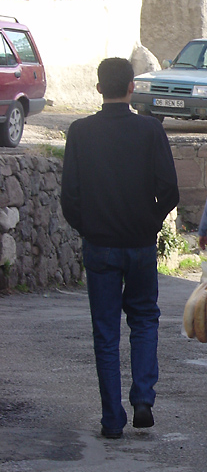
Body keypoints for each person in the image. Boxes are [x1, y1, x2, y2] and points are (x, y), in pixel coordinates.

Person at [61, 57, 179, 439]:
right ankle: (143, 398)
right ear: (132, 88)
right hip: (141, 245)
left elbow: (70, 198)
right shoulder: (150, 131)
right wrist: (151, 222)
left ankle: (112, 419)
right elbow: (170, 192)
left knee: (105, 332)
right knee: (145, 320)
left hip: (101, 246)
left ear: (98, 89)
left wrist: (90, 228)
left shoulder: (80, 132)